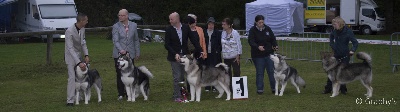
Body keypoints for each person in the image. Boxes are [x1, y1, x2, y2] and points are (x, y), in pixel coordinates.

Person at [164, 12, 203, 102]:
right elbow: (167, 45)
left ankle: (183, 93)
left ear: (177, 19)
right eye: (169, 19)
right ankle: (176, 96)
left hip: (185, 56)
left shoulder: (185, 27)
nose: (170, 21)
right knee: (177, 76)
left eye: (171, 19)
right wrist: (175, 54)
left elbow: (193, 39)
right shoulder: (169, 29)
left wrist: (200, 50)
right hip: (174, 56)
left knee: (183, 76)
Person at [322, 16, 358, 95]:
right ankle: (328, 89)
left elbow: (355, 42)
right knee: (331, 71)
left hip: (345, 54)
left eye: (335, 24)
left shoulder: (348, 32)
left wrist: (352, 50)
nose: (333, 26)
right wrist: (332, 44)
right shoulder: (335, 31)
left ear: (340, 23)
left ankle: (343, 89)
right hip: (336, 54)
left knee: (343, 72)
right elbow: (331, 36)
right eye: (333, 24)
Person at [112, 9, 140, 100]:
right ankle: (121, 93)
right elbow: (115, 40)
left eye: (122, 15)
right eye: (119, 15)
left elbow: (136, 40)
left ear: (127, 16)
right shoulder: (116, 26)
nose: (120, 17)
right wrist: (121, 50)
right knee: (120, 73)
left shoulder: (134, 25)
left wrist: (137, 52)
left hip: (130, 53)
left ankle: (132, 92)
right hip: (119, 54)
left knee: (131, 73)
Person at [248, 15, 278, 95]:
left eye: (262, 22)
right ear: (256, 22)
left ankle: (274, 88)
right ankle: (260, 89)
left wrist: (275, 45)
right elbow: (251, 41)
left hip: (269, 54)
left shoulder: (267, 28)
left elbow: (273, 39)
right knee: (260, 72)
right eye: (259, 22)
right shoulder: (252, 30)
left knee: (271, 71)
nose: (261, 24)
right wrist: (258, 47)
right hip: (258, 56)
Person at [65, 13, 89, 106]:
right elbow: (70, 48)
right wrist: (78, 62)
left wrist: (86, 54)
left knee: (81, 76)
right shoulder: (69, 31)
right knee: (72, 77)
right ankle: (70, 100)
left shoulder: (82, 29)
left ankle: (79, 96)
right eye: (86, 20)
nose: (87, 22)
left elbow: (83, 42)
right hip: (70, 57)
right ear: (81, 21)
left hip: (78, 55)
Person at [221, 17, 242, 90]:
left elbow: (239, 44)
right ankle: (230, 88)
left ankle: (237, 88)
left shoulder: (235, 33)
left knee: (236, 72)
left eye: (224, 24)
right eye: (222, 24)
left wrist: (238, 55)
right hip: (226, 57)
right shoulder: (223, 33)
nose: (222, 26)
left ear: (229, 25)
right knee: (227, 73)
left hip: (234, 56)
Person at [204, 17, 222, 92]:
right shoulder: (204, 32)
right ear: (207, 25)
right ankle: (207, 86)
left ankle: (215, 86)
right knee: (207, 69)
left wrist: (218, 51)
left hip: (215, 54)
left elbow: (221, 44)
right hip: (206, 54)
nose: (211, 26)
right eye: (209, 24)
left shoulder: (218, 33)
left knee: (215, 70)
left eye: (212, 24)